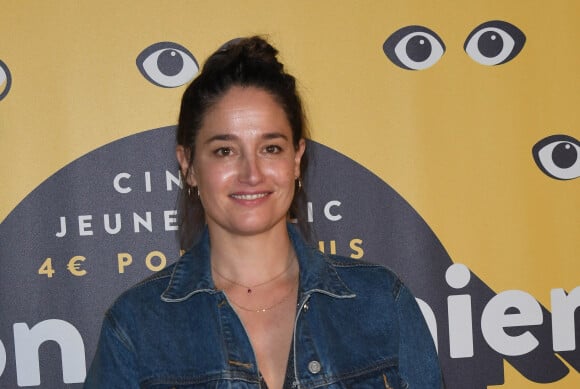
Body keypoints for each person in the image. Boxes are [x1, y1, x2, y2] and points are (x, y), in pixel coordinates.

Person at [84, 36, 443, 388]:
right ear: (188, 165)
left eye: (270, 148)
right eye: (225, 150)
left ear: (296, 159)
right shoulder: (136, 326)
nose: (251, 173)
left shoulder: (381, 303)